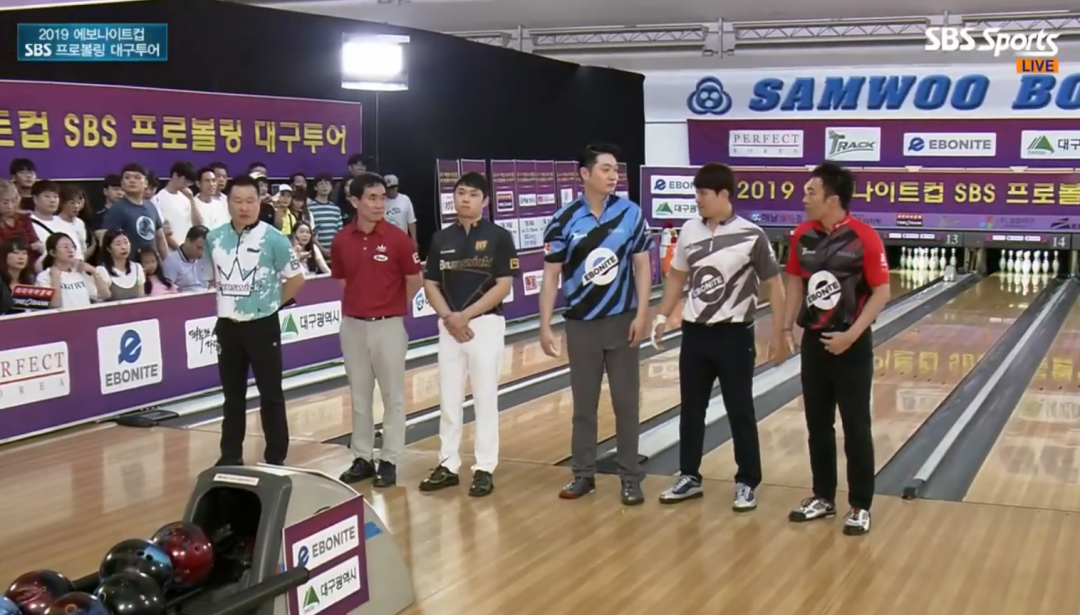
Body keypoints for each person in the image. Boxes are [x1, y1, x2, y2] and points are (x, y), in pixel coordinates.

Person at [651, 163, 788, 509]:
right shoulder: (689, 230)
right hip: (695, 334)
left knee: (740, 410)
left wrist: (779, 332)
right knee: (691, 410)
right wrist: (662, 315)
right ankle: (689, 476)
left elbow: (775, 284)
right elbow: (677, 277)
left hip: (735, 335)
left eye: (703, 193)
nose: (697, 199)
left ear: (723, 194)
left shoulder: (752, 235)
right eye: (696, 193)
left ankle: (747, 481)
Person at [539, 142, 653, 506]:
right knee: (583, 407)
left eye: (616, 169)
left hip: (622, 322)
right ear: (585, 174)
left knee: (626, 404)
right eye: (606, 169)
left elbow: (642, 266)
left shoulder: (631, 213)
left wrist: (642, 313)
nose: (613, 175)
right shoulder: (563, 219)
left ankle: (630, 478)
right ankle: (583, 474)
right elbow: (551, 276)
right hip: (581, 325)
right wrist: (545, 324)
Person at [782, 162, 890, 536]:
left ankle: (860, 505)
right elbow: (794, 282)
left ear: (832, 199)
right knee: (818, 425)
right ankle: (823, 497)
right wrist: (785, 327)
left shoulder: (864, 237)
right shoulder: (802, 235)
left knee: (856, 426)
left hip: (852, 344)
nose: (803, 197)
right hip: (815, 343)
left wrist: (852, 335)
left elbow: (882, 292)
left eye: (810, 192)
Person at [419, 172, 518, 497]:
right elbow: (430, 283)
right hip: (449, 327)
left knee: (485, 398)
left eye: (473, 194)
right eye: (460, 192)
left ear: (485, 200)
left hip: (485, 325)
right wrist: (450, 317)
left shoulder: (499, 236)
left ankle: (484, 467)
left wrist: (466, 315)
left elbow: (503, 285)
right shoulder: (440, 238)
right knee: (449, 399)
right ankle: (448, 463)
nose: (465, 198)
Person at [203, 175, 306, 467]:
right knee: (232, 396)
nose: (244, 207)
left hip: (263, 325)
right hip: (227, 327)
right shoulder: (214, 238)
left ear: (260, 202)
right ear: (228, 203)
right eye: (238, 201)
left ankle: (275, 457)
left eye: (250, 201)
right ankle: (230, 455)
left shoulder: (274, 238)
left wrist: (272, 305)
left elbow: (296, 279)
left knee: (271, 394)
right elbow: (212, 279)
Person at [333, 173, 422, 488]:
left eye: (382, 197)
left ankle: (390, 459)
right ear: (354, 201)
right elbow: (344, 280)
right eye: (372, 198)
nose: (379, 203)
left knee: (392, 396)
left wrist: (390, 306)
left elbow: (414, 281)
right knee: (359, 396)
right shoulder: (341, 240)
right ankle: (362, 457)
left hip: (389, 325)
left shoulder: (399, 239)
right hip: (353, 326)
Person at [99, 163, 168, 258]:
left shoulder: (150, 206)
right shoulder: (117, 209)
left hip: (152, 263)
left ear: (146, 183)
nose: (132, 181)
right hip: (129, 264)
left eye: (137, 177)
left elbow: (160, 237)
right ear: (122, 183)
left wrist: (166, 260)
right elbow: (105, 240)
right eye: (127, 177)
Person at [162, 226, 211, 292]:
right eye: (199, 248)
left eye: (205, 249)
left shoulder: (206, 260)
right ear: (187, 241)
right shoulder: (171, 262)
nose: (202, 253)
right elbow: (167, 290)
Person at [383, 175, 417, 240]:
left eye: (392, 188)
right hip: (386, 239)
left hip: (402, 238)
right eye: (388, 188)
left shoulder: (405, 199)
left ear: (397, 187)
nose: (390, 191)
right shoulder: (381, 201)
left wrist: (414, 239)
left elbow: (411, 221)